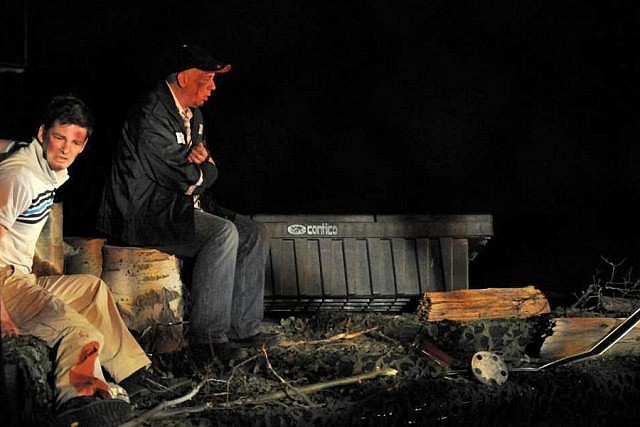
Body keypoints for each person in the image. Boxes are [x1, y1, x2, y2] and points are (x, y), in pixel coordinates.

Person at [0, 95, 190, 427]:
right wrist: (2, 317)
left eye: (75, 141)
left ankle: (134, 374)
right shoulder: (21, 176)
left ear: (84, 145)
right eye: (59, 137)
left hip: (21, 276)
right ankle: (78, 399)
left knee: (91, 290)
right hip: (4, 281)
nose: (65, 148)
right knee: (76, 328)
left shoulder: (30, 156)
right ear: (43, 133)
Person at [96, 44, 281, 365]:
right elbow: (186, 178)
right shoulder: (151, 113)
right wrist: (206, 167)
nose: (212, 87)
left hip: (182, 208)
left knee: (252, 232)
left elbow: (199, 172)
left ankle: (243, 329)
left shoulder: (193, 115)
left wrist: (204, 167)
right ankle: (207, 342)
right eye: (207, 79)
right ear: (183, 77)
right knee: (222, 234)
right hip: (143, 215)